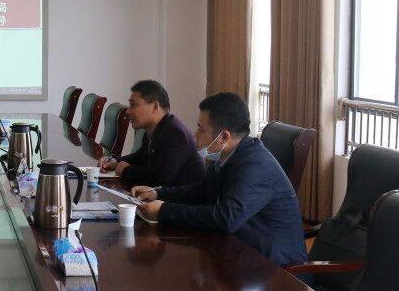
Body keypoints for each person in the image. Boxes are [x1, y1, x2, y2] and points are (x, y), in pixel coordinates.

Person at [130, 92, 307, 267]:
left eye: (201, 129)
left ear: (223, 137)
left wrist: (164, 211)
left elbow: (226, 218)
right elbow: (201, 191)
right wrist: (158, 193)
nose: (195, 136)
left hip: (276, 268)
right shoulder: (229, 154)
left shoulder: (255, 165)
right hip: (243, 251)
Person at [99, 80, 205, 188]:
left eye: (133, 105)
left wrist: (126, 170)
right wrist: (115, 160)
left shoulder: (175, 133)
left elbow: (161, 177)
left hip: (184, 197)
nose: (128, 111)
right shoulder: (154, 129)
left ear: (155, 107)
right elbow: (140, 156)